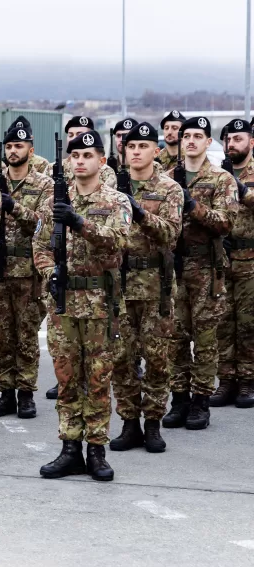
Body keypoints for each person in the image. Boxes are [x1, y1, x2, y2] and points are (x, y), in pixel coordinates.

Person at [33, 129, 131, 481]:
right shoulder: (54, 201)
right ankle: (70, 447)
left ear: (101, 161)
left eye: (87, 156)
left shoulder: (116, 201)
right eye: (74, 156)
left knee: (98, 378)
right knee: (67, 377)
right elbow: (40, 247)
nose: (80, 161)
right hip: (63, 304)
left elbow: (119, 241)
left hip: (101, 304)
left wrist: (79, 222)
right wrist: (50, 273)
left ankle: (97, 450)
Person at [109, 123, 182, 454]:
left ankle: (152, 423)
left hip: (155, 286)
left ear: (156, 150)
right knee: (122, 359)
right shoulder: (110, 188)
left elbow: (171, 234)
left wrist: (139, 212)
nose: (136, 151)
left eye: (143, 146)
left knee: (157, 359)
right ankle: (129, 423)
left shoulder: (169, 189)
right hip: (120, 287)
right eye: (131, 146)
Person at [163, 117, 237, 430]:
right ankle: (179, 398)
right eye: (187, 136)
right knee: (175, 337)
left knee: (205, 339)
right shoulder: (166, 179)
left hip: (206, 268)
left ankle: (200, 402)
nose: (191, 141)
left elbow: (226, 222)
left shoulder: (221, 179)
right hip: (174, 269)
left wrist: (192, 205)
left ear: (208, 142)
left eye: (198, 136)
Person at [0, 125, 51, 420]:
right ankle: (6, 392)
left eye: (19, 146)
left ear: (30, 150)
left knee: (26, 336)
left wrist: (13, 206)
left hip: (28, 273)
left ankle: (26, 394)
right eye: (9, 146)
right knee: (0, 336)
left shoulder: (44, 185)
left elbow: (43, 225)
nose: (13, 151)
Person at [212, 118, 254, 408]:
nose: (232, 144)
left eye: (238, 139)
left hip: (250, 259)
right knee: (223, 322)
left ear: (251, 142)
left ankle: (248, 380)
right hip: (222, 259)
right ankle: (226, 380)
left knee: (248, 323)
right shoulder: (217, 173)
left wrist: (240, 188)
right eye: (228, 139)